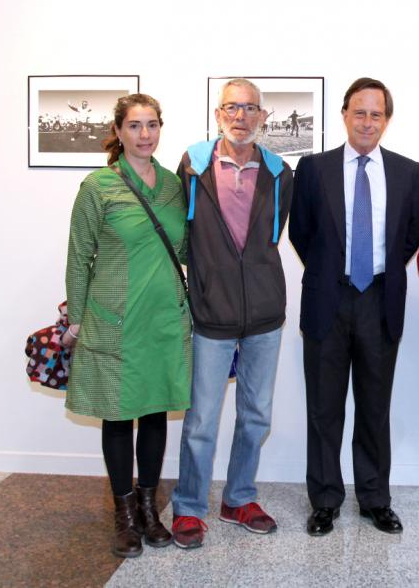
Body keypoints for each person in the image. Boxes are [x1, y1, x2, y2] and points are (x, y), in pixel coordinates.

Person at [290, 78, 419, 536]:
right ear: (344, 114)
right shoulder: (313, 168)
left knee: (374, 407)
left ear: (387, 120)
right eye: (360, 112)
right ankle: (325, 500)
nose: (368, 121)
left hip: (381, 301)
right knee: (324, 409)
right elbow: (301, 234)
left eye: (377, 114)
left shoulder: (408, 171)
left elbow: (410, 236)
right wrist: (334, 271)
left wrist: (374, 274)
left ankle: (374, 499)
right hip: (329, 297)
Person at [63, 94, 190, 558]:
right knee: (118, 416)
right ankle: (124, 515)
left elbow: (185, 249)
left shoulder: (175, 186)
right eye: (134, 126)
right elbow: (79, 255)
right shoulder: (99, 186)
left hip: (163, 321)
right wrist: (77, 320)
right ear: (118, 132)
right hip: (115, 320)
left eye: (152, 124)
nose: (145, 134)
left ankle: (149, 510)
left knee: (154, 413)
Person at [171, 78, 294, 549]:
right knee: (201, 419)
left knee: (256, 415)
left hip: (264, 312)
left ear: (263, 117)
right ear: (218, 113)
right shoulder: (192, 164)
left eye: (250, 109)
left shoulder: (281, 171)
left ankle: (239, 498)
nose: (241, 117)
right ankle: (188, 507)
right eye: (231, 108)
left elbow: (269, 237)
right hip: (209, 311)